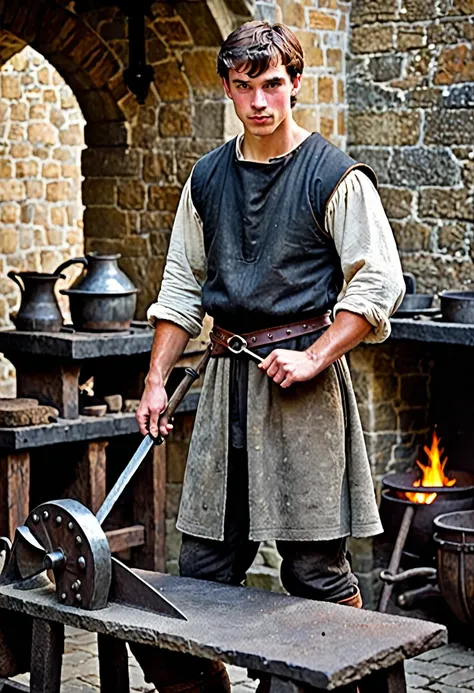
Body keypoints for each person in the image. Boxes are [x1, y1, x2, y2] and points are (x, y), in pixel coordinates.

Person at [132, 20, 405, 693]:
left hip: (303, 393)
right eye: (246, 85)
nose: (260, 100)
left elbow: (378, 283)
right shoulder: (207, 178)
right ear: (227, 85)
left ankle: (339, 678)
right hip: (226, 385)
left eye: (274, 84)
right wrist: (156, 379)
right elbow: (180, 286)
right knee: (200, 569)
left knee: (315, 572)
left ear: (296, 85)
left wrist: (314, 356)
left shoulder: (333, 174)